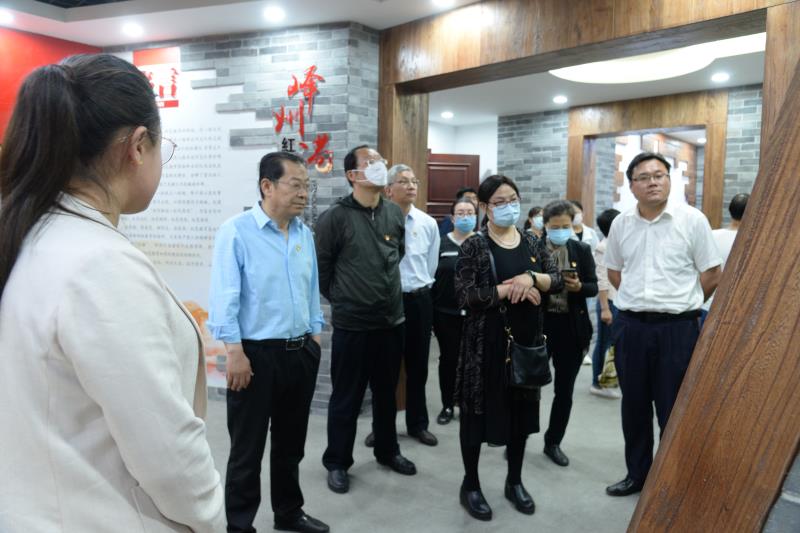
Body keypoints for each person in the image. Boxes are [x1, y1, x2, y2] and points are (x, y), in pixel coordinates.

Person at [0, 54, 224, 532]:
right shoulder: (99, 264)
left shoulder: (32, 236)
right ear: (138, 146)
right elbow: (168, 454)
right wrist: (209, 519)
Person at [208, 151, 329, 533]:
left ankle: (288, 512)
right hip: (254, 356)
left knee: (291, 444)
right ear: (267, 186)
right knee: (247, 449)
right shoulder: (237, 231)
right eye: (296, 185)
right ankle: (240, 525)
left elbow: (311, 290)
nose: (304, 193)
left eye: (307, 186)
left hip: (300, 352)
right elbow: (225, 296)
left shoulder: (304, 234)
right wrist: (234, 352)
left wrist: (314, 336)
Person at [604, 152, 722, 497]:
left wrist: (681, 303)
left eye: (659, 175)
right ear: (632, 186)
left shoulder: (692, 220)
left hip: (678, 330)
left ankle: (671, 482)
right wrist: (641, 302)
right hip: (631, 328)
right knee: (634, 405)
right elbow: (614, 271)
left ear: (669, 180)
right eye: (643, 177)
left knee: (674, 408)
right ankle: (637, 475)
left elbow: (712, 273)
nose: (652, 182)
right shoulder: (622, 224)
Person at [454, 175, 562, 521]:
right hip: (486, 344)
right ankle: (470, 484)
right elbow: (465, 296)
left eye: (512, 199)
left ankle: (514, 481)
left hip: (526, 344)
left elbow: (556, 279)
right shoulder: (475, 245)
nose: (508, 207)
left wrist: (531, 279)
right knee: (476, 417)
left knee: (521, 417)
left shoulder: (531, 241)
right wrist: (508, 289)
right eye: (499, 202)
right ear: (485, 207)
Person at [316, 145, 416, 495]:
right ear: (352, 175)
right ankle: (337, 462)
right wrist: (347, 299)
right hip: (353, 325)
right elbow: (322, 272)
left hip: (391, 321)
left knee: (387, 394)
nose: (379, 167)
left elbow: (397, 254)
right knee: (347, 397)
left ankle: (388, 451)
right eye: (370, 163)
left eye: (380, 162)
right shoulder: (334, 218)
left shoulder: (393, 213)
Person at [384, 164, 441, 444]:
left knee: (418, 367)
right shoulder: (378, 220)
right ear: (388, 189)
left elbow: (431, 265)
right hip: (387, 302)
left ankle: (418, 424)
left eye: (414, 181)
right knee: (386, 369)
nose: (411, 186)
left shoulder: (428, 223)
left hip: (419, 300)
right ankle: (382, 428)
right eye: (403, 181)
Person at [540, 200, 598, 467]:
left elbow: (593, 286)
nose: (561, 231)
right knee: (527, 388)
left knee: (564, 391)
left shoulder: (581, 249)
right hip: (540, 327)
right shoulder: (533, 248)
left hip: (571, 328)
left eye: (566, 226)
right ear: (545, 225)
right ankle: (518, 438)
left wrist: (578, 287)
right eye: (555, 227)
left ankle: (553, 442)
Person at [432, 197, 477, 425]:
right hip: (445, 313)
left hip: (476, 313)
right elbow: (431, 276)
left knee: (473, 360)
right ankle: (448, 405)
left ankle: (469, 405)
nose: (465, 217)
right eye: (460, 213)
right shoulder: (441, 243)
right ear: (452, 217)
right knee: (449, 359)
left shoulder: (483, 243)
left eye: (470, 212)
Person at [700, 193, 749, 326]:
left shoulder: (711, 236)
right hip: (738, 310)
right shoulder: (752, 243)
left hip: (707, 306)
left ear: (730, 210)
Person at [590, 208, 622, 398]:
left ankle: (609, 379)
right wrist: (604, 309)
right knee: (603, 344)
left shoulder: (618, 243)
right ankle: (597, 383)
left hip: (618, 301)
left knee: (614, 344)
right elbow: (602, 281)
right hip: (608, 302)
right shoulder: (603, 247)